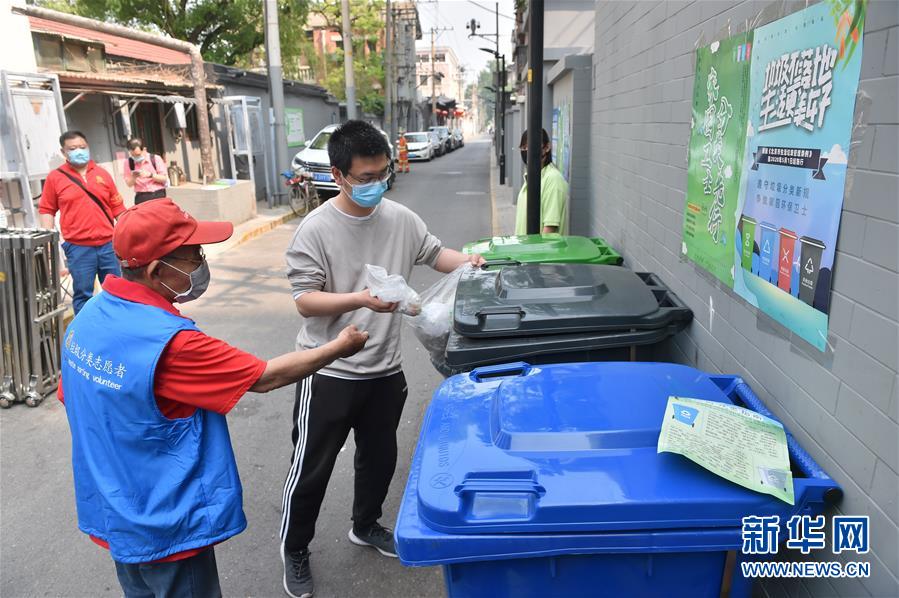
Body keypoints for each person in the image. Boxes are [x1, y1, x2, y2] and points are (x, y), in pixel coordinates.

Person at [58, 198, 369, 598]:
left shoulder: (88, 318)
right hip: (164, 523)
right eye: (194, 257)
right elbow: (265, 376)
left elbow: (77, 402)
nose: (201, 265)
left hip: (117, 511)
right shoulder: (171, 343)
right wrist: (338, 347)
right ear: (156, 270)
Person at [281, 120, 483, 598]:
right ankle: (295, 549)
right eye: (365, 176)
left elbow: (435, 254)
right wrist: (361, 299)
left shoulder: (400, 218)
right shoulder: (316, 229)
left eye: (382, 173)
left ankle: (365, 524)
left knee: (380, 458)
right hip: (328, 367)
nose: (376, 183)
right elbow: (305, 299)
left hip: (385, 369)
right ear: (339, 174)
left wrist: (474, 262)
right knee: (311, 468)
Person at [39, 130, 126, 314]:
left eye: (82, 147)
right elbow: (47, 209)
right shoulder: (55, 178)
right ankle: (85, 335)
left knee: (117, 291)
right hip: (78, 248)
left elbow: (118, 207)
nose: (79, 151)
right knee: (83, 295)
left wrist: (129, 232)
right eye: (73, 148)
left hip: (109, 245)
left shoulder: (102, 173)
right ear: (64, 152)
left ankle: (118, 327)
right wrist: (46, 242)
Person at [514, 128, 570, 236]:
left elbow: (549, 229)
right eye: (524, 148)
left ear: (547, 147)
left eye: (531, 147)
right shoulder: (534, 177)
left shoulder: (553, 179)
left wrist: (532, 252)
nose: (527, 151)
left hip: (538, 252)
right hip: (523, 250)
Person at [123, 137, 169, 204]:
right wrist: (134, 177)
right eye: (133, 155)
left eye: (138, 155)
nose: (136, 157)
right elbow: (129, 184)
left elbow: (164, 178)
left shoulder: (155, 159)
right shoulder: (128, 162)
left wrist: (150, 175)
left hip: (158, 194)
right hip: (141, 196)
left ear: (144, 149)